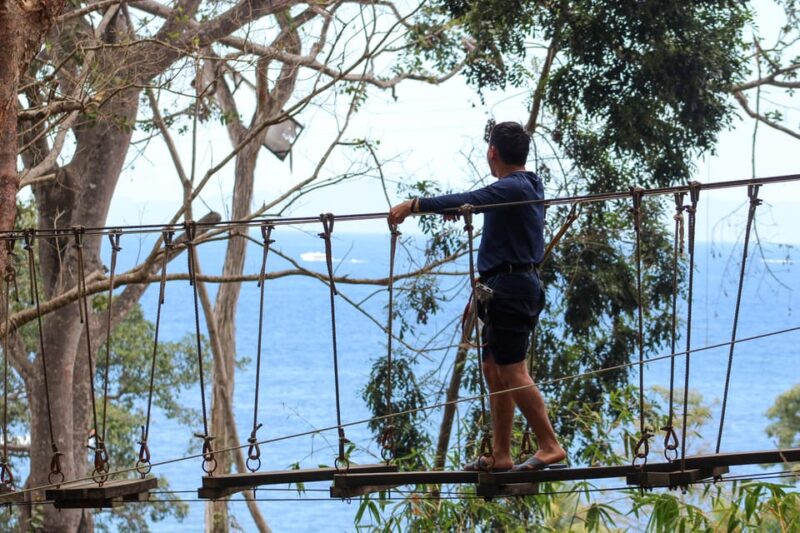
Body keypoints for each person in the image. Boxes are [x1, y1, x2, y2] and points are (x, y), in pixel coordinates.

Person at [388, 121, 566, 471]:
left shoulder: (514, 187)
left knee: (513, 370)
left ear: (492, 152)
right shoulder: (524, 187)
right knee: (492, 368)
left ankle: (550, 444)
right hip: (505, 287)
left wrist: (414, 204)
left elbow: (472, 198)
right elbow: (486, 210)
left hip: (513, 289)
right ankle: (501, 455)